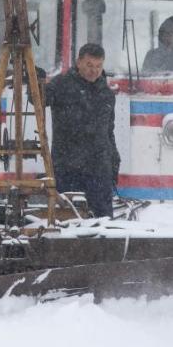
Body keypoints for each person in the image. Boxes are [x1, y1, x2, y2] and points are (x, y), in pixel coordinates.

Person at [45, 43, 120, 219]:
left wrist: (114, 160)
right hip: (68, 167)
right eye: (89, 65)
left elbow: (109, 132)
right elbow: (39, 100)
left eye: (98, 66)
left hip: (99, 168)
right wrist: (36, 80)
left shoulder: (106, 94)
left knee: (103, 222)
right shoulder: (61, 86)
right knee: (68, 219)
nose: (94, 71)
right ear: (78, 63)